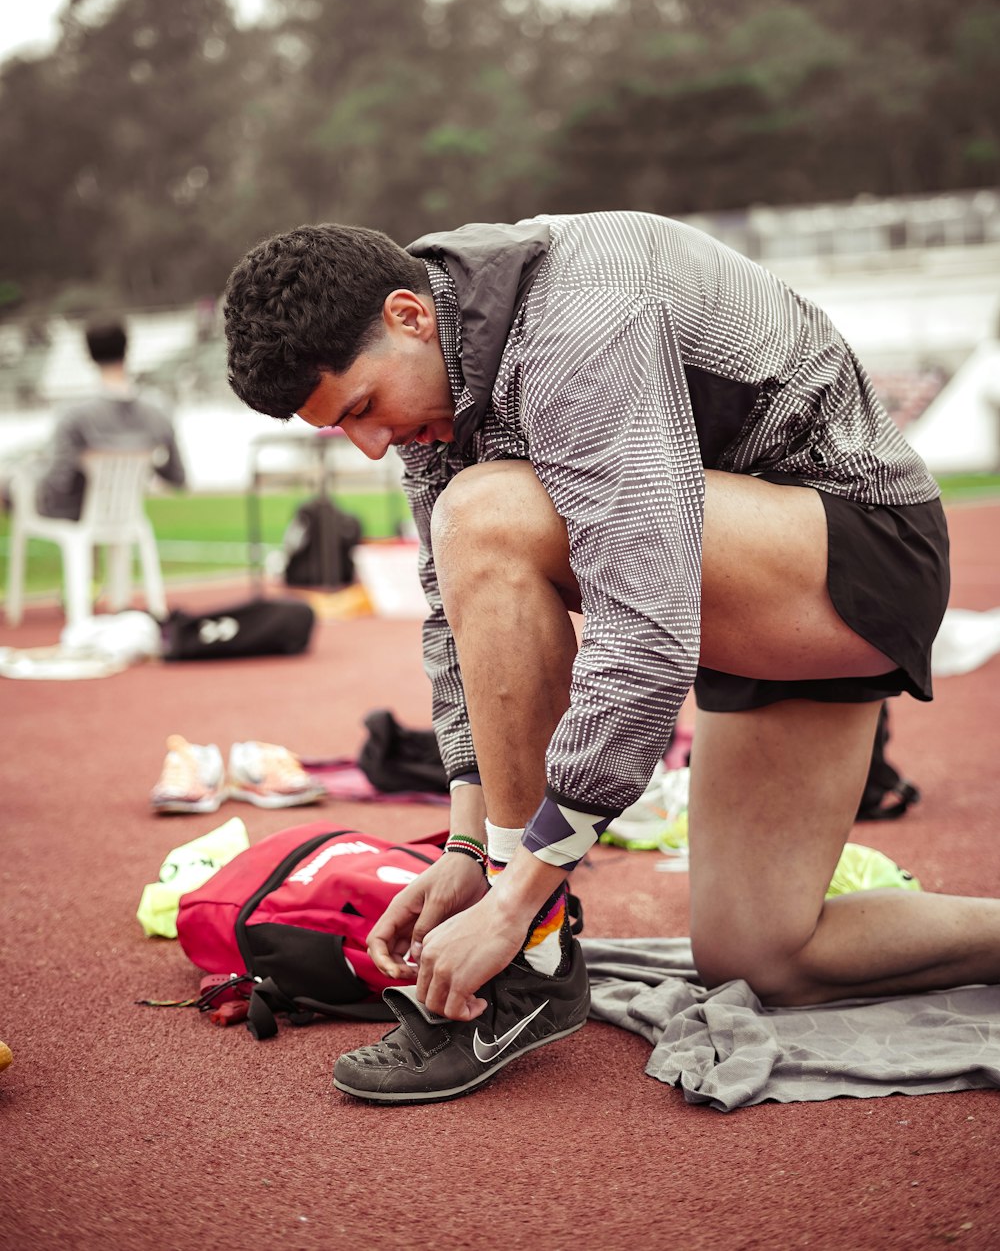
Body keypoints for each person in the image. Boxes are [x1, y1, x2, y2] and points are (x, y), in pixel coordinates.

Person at [224, 211, 999, 1105]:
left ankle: (536, 963)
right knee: (763, 958)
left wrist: (521, 899)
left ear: (409, 315)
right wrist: (468, 846)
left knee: (484, 510)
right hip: (744, 587)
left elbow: (645, 631)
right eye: (341, 431)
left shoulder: (577, 321)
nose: (369, 443)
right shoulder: (445, 376)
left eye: (362, 408)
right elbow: (455, 620)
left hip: (855, 553)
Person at [33, 318, 186, 519]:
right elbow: (178, 477)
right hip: (127, 513)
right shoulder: (159, 411)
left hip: (79, 514)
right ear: (126, 349)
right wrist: (141, 464)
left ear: (89, 355)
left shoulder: (73, 416)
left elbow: (59, 481)